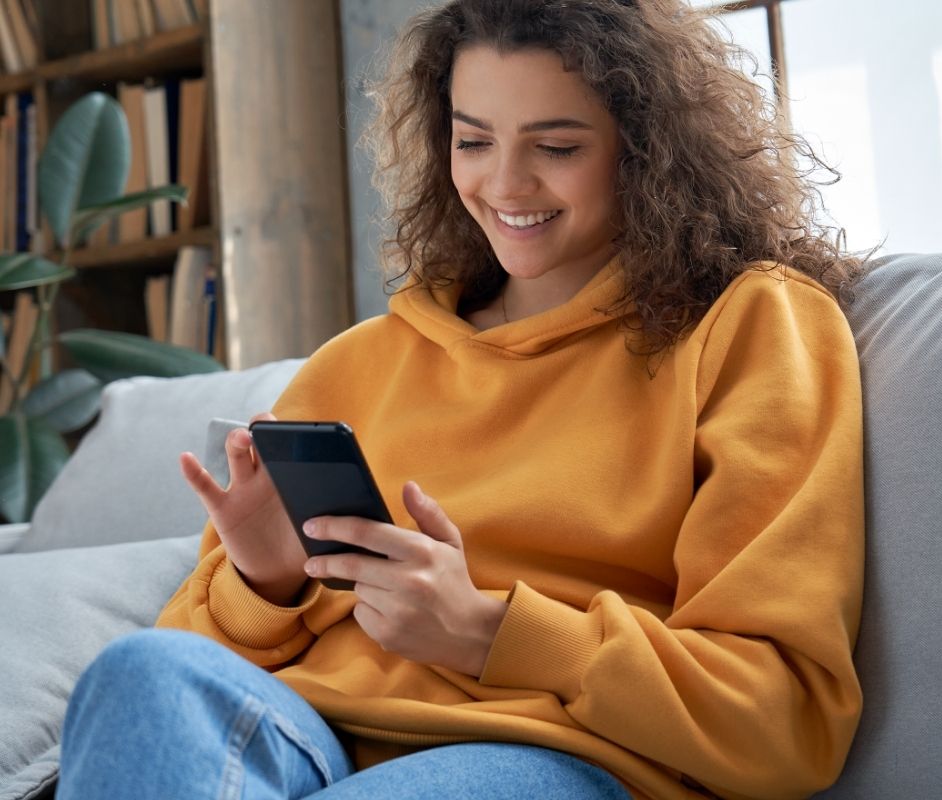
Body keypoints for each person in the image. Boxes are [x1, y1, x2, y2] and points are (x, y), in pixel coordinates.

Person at [57, 1, 866, 798]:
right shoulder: (361, 361)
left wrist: (488, 631)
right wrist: (265, 583)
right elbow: (186, 691)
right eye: (473, 140)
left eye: (555, 145)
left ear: (645, 151)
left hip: (548, 753)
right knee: (140, 672)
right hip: (307, 730)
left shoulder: (751, 324)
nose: (505, 183)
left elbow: (782, 720)